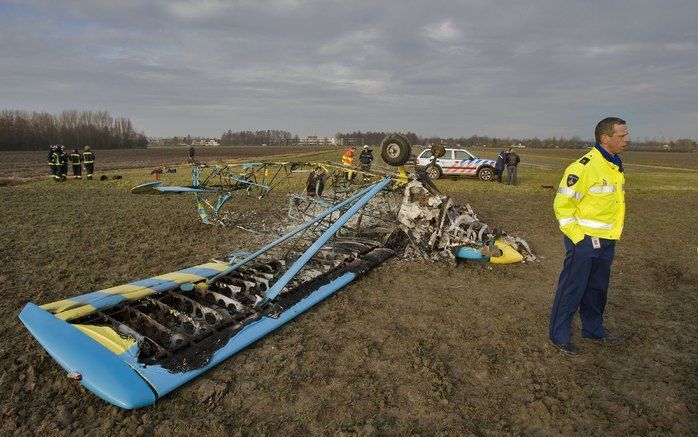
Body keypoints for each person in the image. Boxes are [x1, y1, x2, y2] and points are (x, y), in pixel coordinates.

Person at [549, 117, 628, 356]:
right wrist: (578, 238)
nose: (627, 140)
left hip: (607, 241)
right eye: (621, 136)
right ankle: (559, 336)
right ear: (606, 138)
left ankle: (593, 329)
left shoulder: (614, 165)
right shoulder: (582, 167)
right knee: (572, 289)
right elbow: (562, 206)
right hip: (584, 241)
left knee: (597, 289)